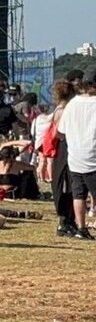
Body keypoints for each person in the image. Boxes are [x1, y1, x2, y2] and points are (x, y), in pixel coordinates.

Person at [57, 70, 96, 239]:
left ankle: (81, 228)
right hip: (93, 156)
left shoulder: (72, 104)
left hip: (75, 157)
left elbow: (61, 132)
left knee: (78, 194)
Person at [44, 75, 79, 236]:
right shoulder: (65, 110)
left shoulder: (57, 110)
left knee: (63, 184)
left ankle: (66, 220)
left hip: (57, 151)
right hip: (64, 148)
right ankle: (66, 221)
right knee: (68, 184)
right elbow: (59, 132)